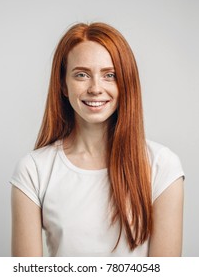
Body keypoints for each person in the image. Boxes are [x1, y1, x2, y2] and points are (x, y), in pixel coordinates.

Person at [9, 22, 185, 257]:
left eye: (109, 75)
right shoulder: (33, 170)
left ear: (126, 83)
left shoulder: (162, 166)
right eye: (81, 75)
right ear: (63, 84)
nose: (95, 88)